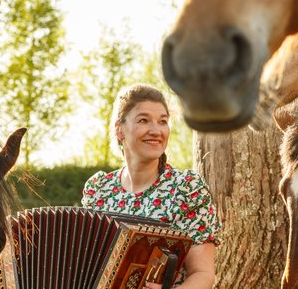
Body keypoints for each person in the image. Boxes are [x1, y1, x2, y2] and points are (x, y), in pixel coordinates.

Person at [82, 83, 221, 289]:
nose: (156, 130)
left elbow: (203, 274)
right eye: (143, 120)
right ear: (119, 129)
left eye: (163, 121)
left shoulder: (186, 189)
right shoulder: (98, 189)